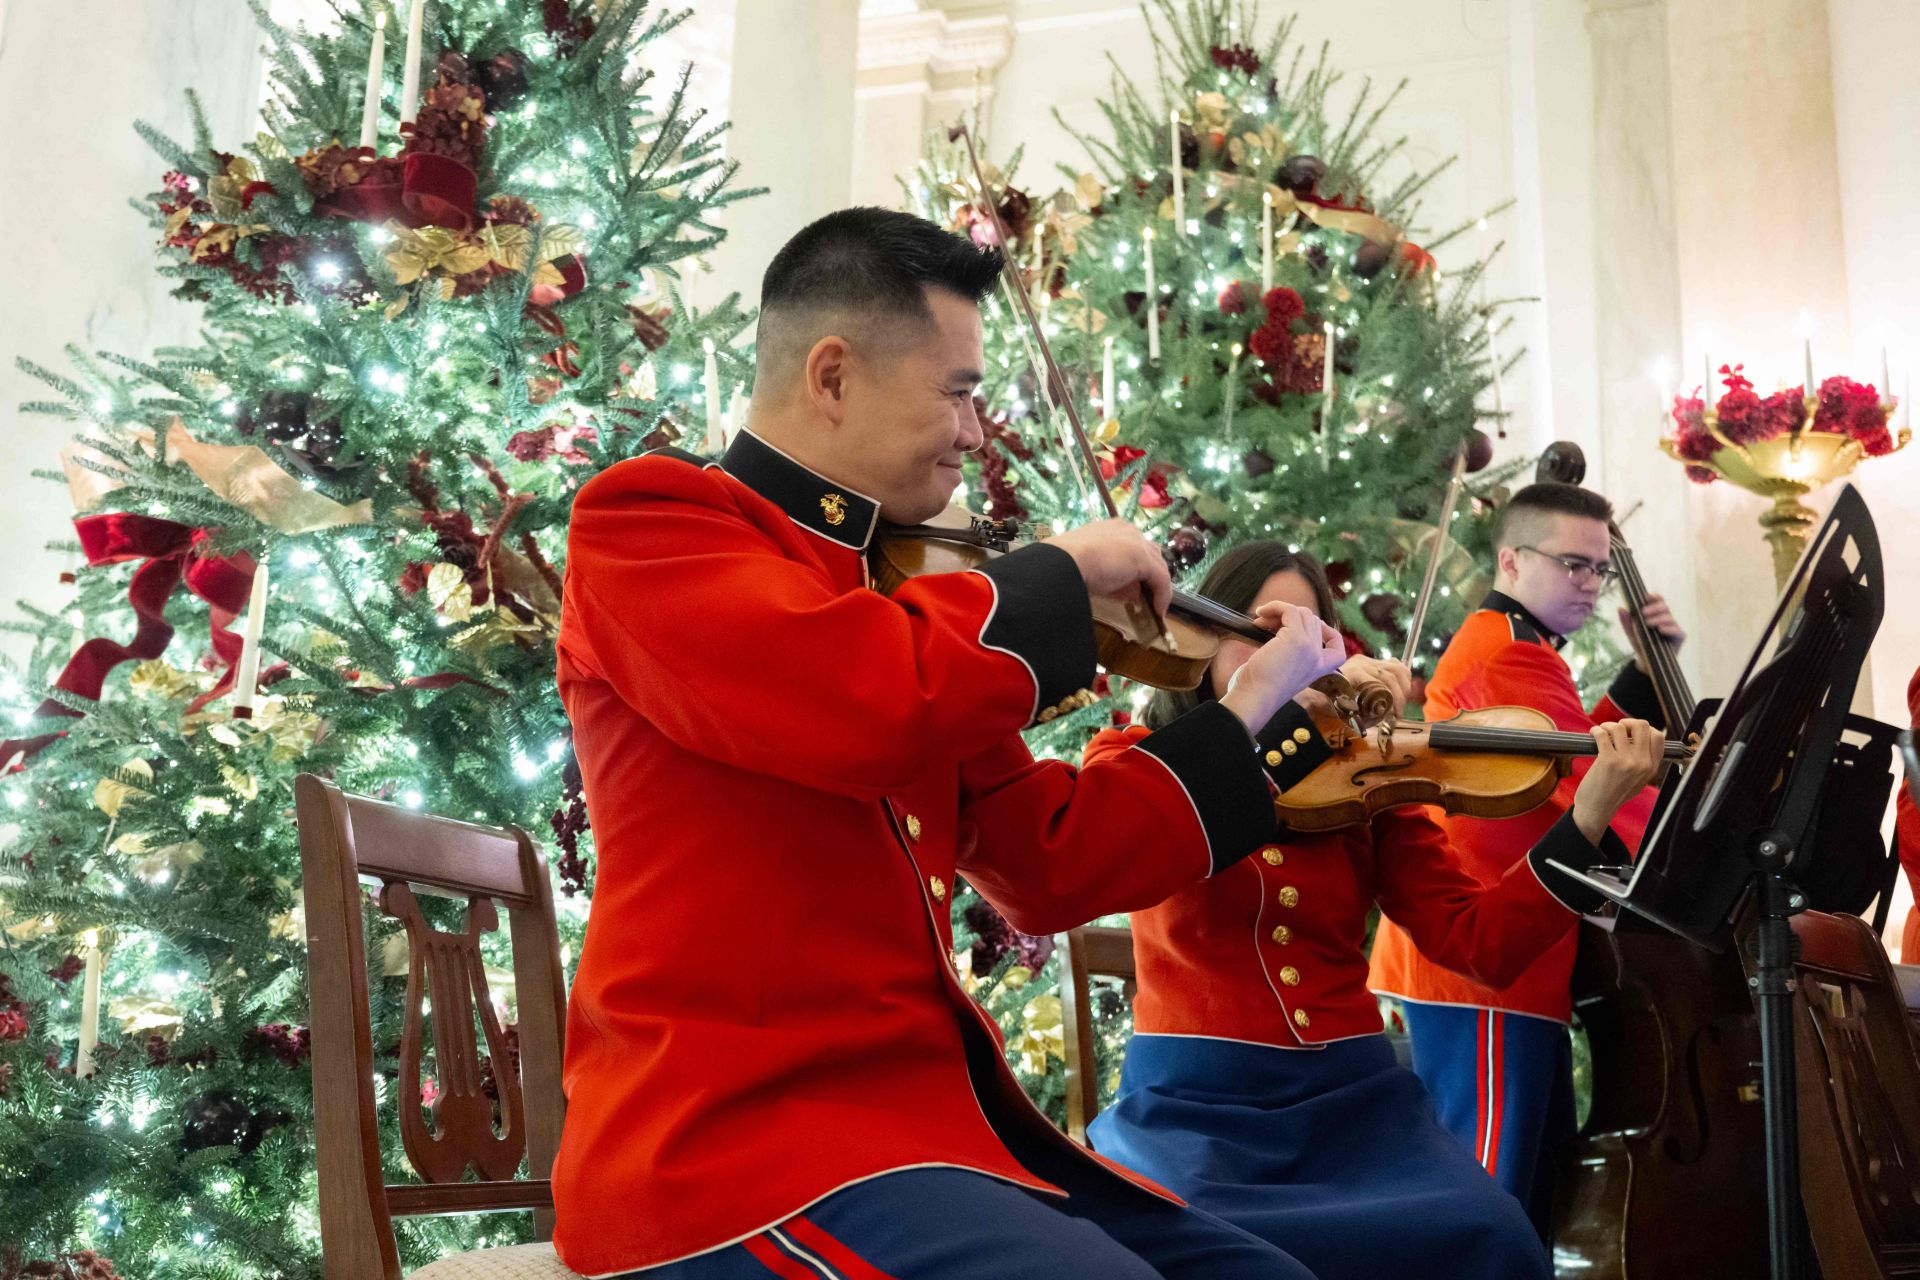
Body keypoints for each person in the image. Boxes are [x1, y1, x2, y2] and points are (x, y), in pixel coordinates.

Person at [551, 207, 1365, 1278]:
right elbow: (857, 694)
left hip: (917, 1140)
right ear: (832, 376)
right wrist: (1059, 574)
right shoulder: (650, 523)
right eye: (960, 392)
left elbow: (1049, 858)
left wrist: (1247, 709)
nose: (978, 434)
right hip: (727, 1144)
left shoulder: (898, 593)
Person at [1078, 541, 1664, 1280]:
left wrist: (1584, 820)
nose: (1290, 659)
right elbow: (1114, 862)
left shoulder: (1369, 784)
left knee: (1495, 1235)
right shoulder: (1138, 760)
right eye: (1265, 636)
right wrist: (1248, 717)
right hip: (1195, 1115)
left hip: (1354, 1109)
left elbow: (1480, 942)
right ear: (1203, 640)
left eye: (1310, 640)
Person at [1367, 481, 1685, 1236]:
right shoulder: (1510, 656)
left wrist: (1645, 671)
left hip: (1502, 962)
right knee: (1491, 1205)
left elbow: (1576, 747)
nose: (1588, 584)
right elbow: (1596, 789)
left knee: (1522, 1195)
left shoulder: (1524, 649)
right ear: (1511, 559)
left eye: (1599, 568)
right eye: (1572, 563)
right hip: (1483, 958)